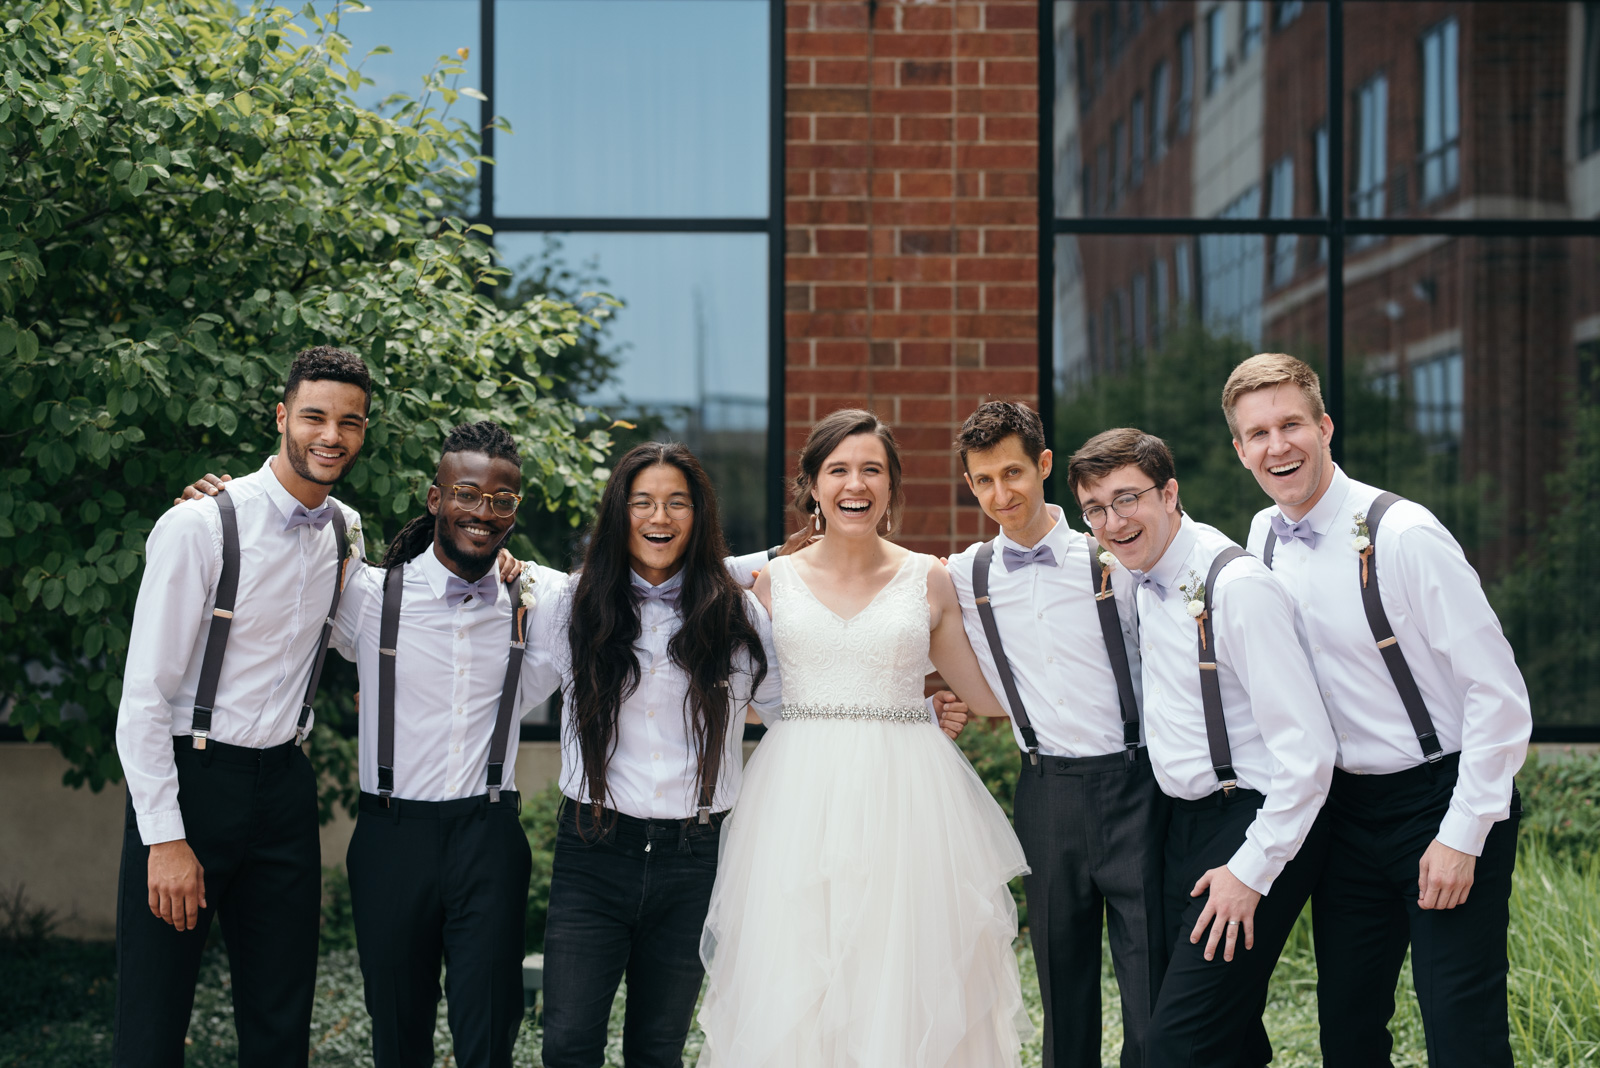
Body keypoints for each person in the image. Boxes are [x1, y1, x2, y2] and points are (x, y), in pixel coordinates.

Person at [1221, 353, 1530, 1068]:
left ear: (1324, 426)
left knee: (1461, 1027)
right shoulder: (1262, 535)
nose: (1278, 446)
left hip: (1442, 797)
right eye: (1258, 433)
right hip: (1346, 813)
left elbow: (1499, 692)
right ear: (1240, 451)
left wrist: (1462, 833)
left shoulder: (1404, 534)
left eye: (1291, 423)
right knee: (1349, 1030)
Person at [697, 409, 1032, 1068]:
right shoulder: (767, 583)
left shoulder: (929, 578)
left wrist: (919, 706)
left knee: (903, 967)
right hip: (798, 799)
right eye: (839, 470)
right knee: (801, 970)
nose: (857, 483)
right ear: (813, 487)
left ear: (892, 485)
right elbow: (747, 702)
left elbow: (990, 695)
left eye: (872, 469)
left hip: (907, 799)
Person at [113, 346, 371, 1067]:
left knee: (279, 1020)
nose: (331, 436)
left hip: (285, 791)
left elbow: (370, 631)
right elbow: (142, 699)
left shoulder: (347, 533)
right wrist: (164, 837)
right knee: (153, 1018)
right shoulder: (199, 526)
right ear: (282, 416)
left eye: (349, 423)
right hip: (189, 784)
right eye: (315, 416)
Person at [1067, 428, 1335, 1068]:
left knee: (1174, 1045)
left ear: (1170, 493)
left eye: (1128, 498)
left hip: (1257, 820)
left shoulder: (1234, 586)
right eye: (1096, 509)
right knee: (1221, 1033)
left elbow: (1308, 752)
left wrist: (1252, 870)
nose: (1113, 521)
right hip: (1179, 825)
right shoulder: (1136, 574)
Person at [533, 442, 784, 1068]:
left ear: (699, 516)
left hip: (693, 859)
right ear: (620, 513)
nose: (659, 517)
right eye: (642, 502)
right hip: (593, 849)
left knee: (658, 1049)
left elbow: (797, 712)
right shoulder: (571, 604)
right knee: (568, 1044)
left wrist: (908, 710)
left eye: (677, 502)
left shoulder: (739, 613)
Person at [931, 400, 1166, 1068]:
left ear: (1043, 465)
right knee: (1063, 985)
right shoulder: (965, 575)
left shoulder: (1113, 555)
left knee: (1149, 978)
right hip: (1047, 792)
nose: (1001, 494)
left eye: (1013, 473)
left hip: (1137, 784)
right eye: (983, 481)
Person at [326, 421, 558, 1068]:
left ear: (514, 510)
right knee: (398, 1033)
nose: (482, 512)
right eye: (466, 493)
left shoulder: (534, 599)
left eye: (501, 500)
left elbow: (636, 587)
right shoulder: (368, 597)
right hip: (389, 836)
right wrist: (212, 509)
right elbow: (279, 584)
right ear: (435, 499)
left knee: (490, 1029)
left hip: (487, 835)